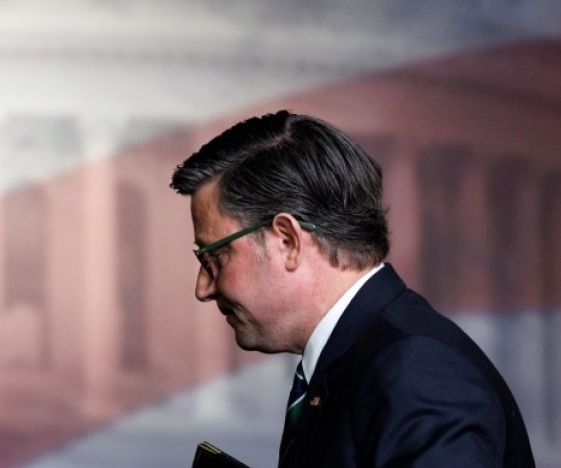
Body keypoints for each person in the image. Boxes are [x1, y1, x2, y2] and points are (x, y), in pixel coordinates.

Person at [169, 111, 535, 467]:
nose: (203, 288)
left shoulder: (416, 370)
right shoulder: (361, 359)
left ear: (288, 241)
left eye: (214, 257)